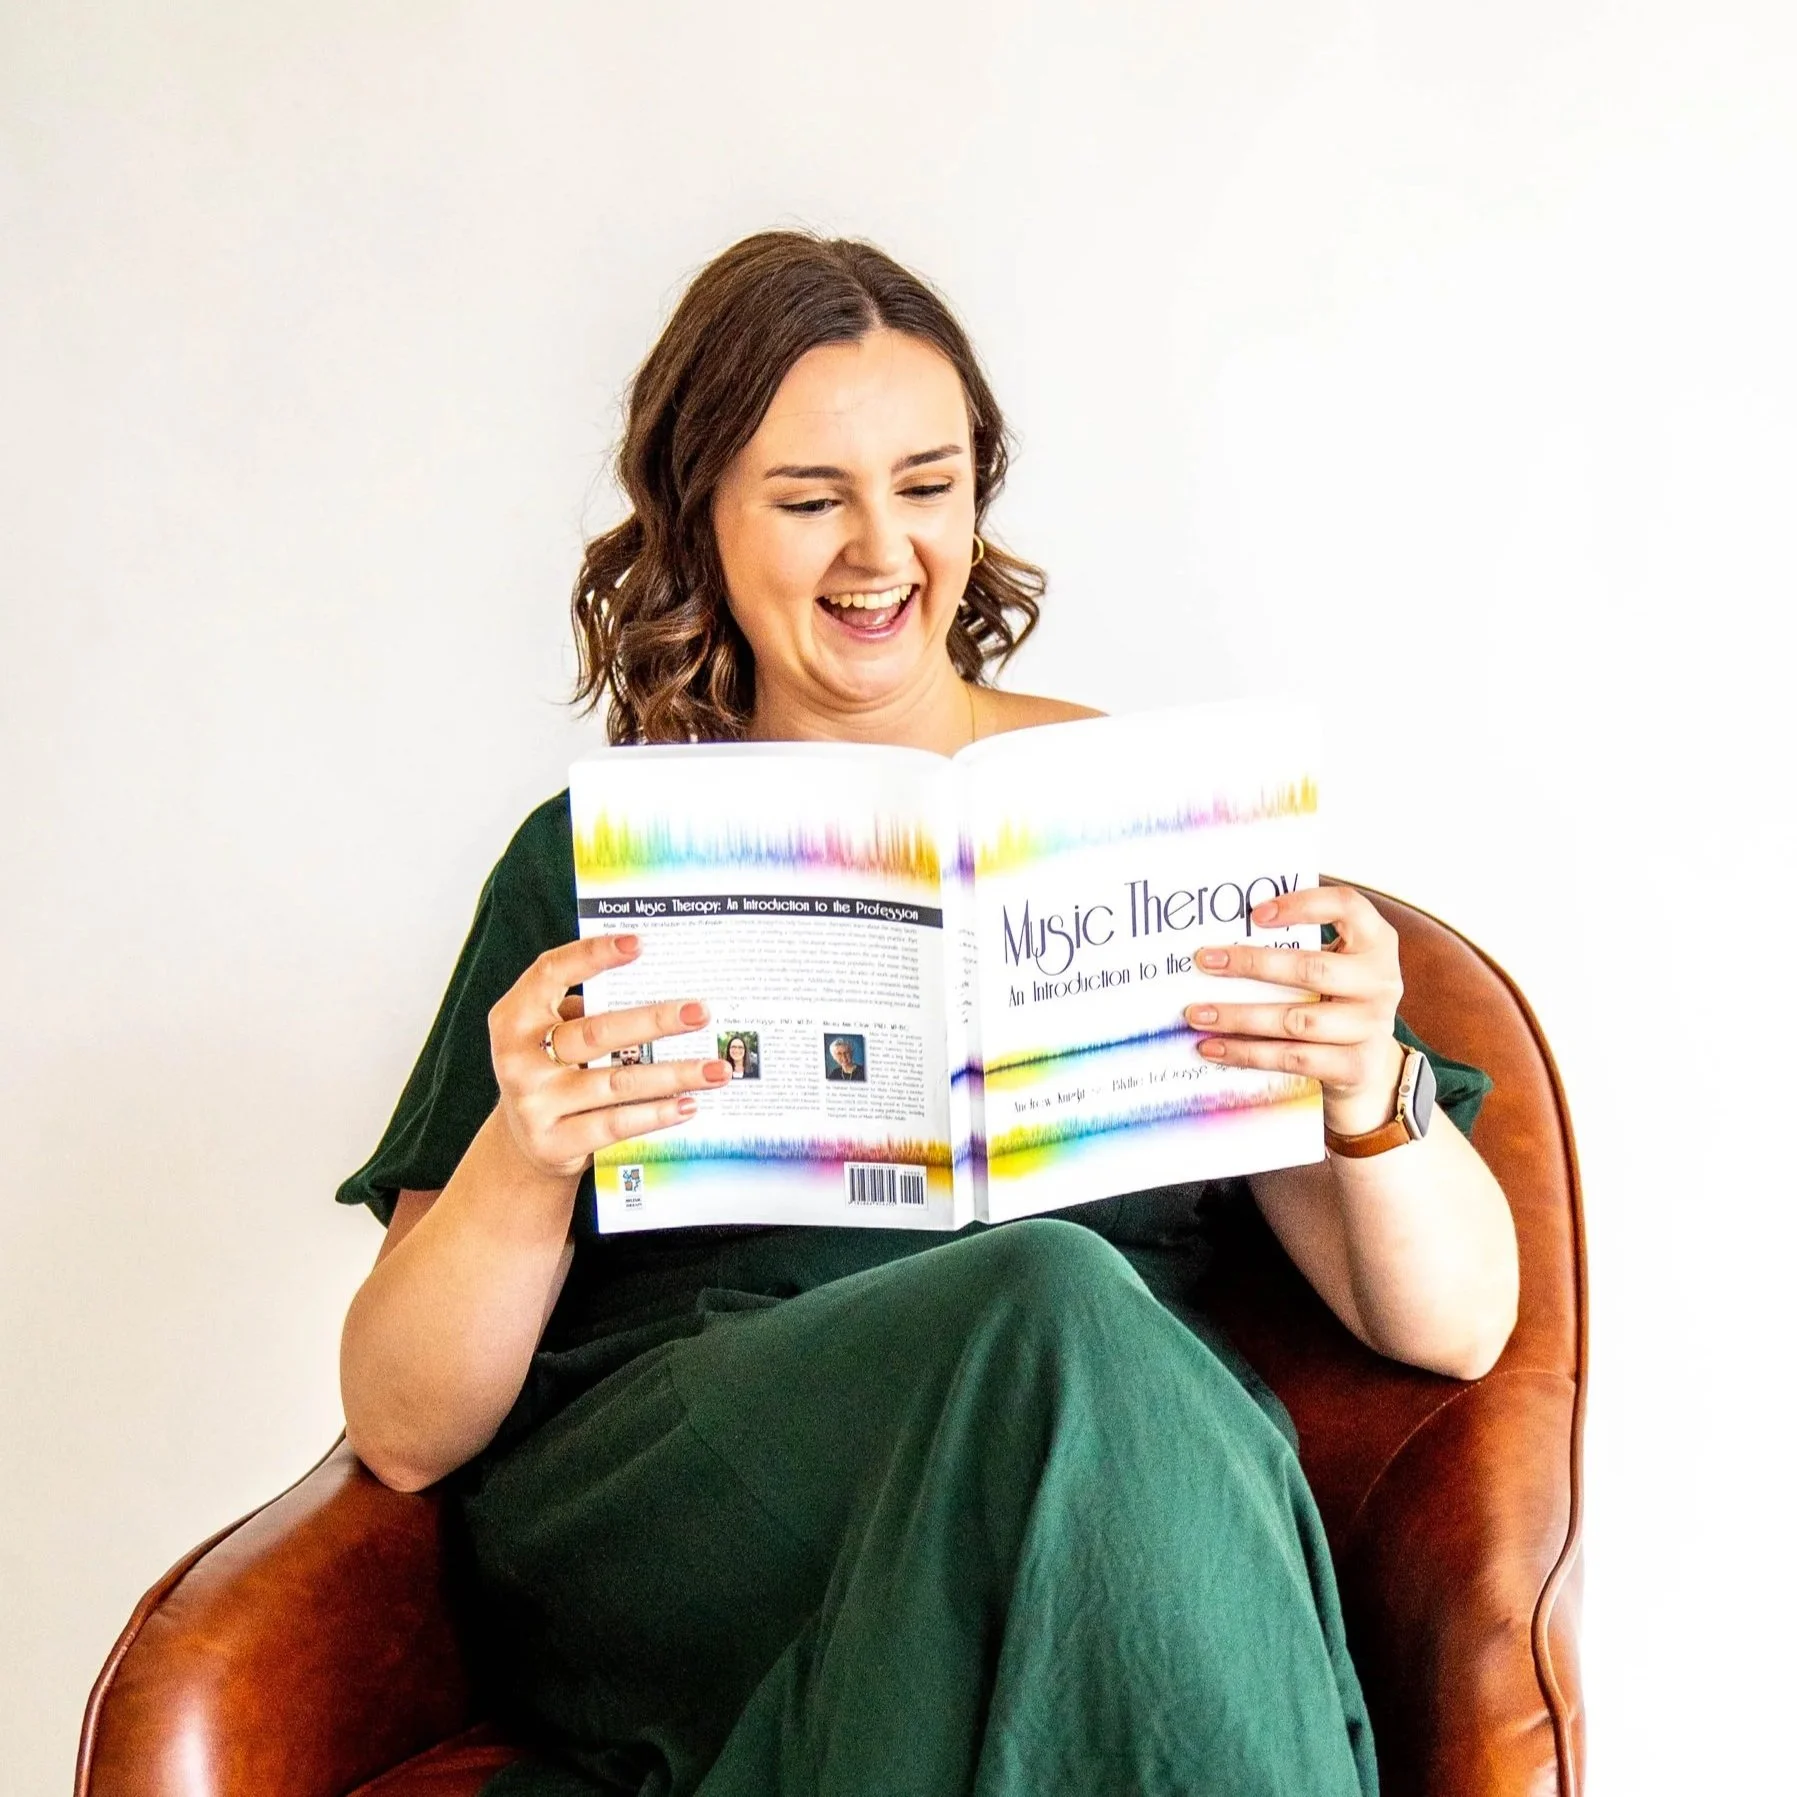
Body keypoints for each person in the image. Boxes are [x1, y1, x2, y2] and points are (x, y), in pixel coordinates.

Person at [338, 231, 1519, 1797]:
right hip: (696, 1485)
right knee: (1051, 1306)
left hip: (1096, 1483)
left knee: (1073, 1352)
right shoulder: (587, 865)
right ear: (699, 515)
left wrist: (1370, 1085)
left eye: (928, 484)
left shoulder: (1149, 819)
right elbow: (404, 1430)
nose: (879, 551)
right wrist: (526, 1156)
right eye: (810, 498)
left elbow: (1454, 1326)